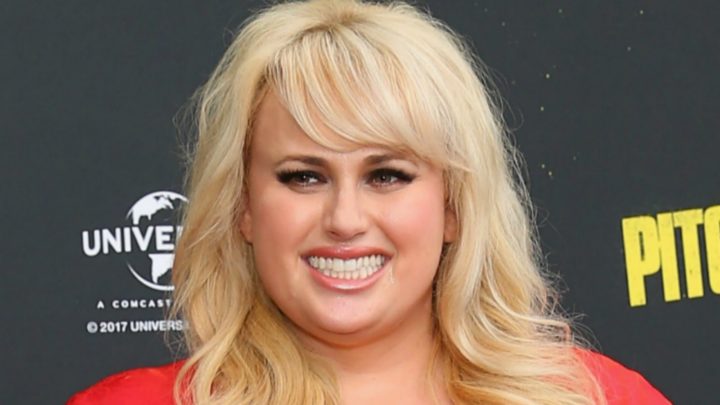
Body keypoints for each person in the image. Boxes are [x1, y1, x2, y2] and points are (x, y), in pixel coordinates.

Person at [68, 0, 670, 404]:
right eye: (304, 177)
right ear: (243, 207)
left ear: (454, 205)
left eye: (386, 175)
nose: (345, 220)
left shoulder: (599, 399)